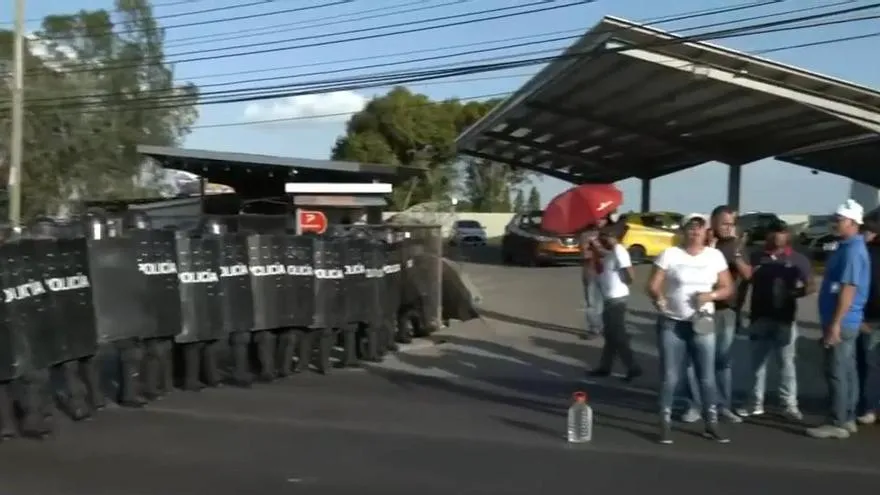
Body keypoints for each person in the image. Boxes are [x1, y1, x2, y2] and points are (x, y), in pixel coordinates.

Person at [647, 214, 734, 444]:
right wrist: (659, 298)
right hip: (673, 322)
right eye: (690, 228)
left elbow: (728, 288)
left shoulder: (714, 256)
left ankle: (711, 423)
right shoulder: (671, 254)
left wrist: (710, 295)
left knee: (706, 376)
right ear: (683, 231)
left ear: (706, 231)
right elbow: (653, 285)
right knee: (670, 376)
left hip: (702, 321)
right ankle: (664, 423)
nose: (694, 232)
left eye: (699, 228)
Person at [680, 206, 751, 424]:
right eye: (724, 223)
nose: (729, 228)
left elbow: (748, 274)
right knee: (694, 359)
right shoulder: (702, 240)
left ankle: (723, 405)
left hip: (726, 310)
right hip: (701, 309)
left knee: (722, 360)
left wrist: (737, 253)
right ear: (713, 222)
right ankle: (695, 404)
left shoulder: (736, 245)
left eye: (732, 223)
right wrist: (708, 247)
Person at [736, 220, 813, 421]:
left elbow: (811, 285)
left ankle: (789, 405)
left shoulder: (797, 259)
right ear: (768, 234)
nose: (777, 236)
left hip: (785, 320)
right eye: (773, 232)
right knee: (756, 366)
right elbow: (745, 283)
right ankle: (754, 403)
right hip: (759, 317)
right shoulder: (756, 257)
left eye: (782, 232)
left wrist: (795, 293)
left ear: (788, 235)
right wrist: (737, 310)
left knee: (787, 365)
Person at [807, 199, 870, 439]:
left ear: (853, 223)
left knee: (836, 370)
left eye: (840, 219)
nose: (835, 223)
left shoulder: (853, 250)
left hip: (841, 321)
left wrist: (834, 323)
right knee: (848, 369)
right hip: (846, 320)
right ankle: (848, 416)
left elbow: (848, 289)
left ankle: (838, 420)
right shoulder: (846, 247)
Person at [586, 227, 642, 381]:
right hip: (610, 298)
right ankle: (605, 367)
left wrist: (625, 282)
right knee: (611, 335)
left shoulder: (619, 251)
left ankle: (633, 366)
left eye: (603, 237)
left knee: (617, 335)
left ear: (612, 236)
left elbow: (629, 273)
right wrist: (595, 249)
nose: (601, 240)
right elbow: (602, 262)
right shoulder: (612, 252)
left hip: (616, 299)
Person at [856, 215, 880, 425]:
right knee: (870, 365)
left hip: (871, 316)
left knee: (871, 364)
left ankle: (871, 407)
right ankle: (870, 406)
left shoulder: (867, 253)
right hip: (869, 316)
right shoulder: (865, 253)